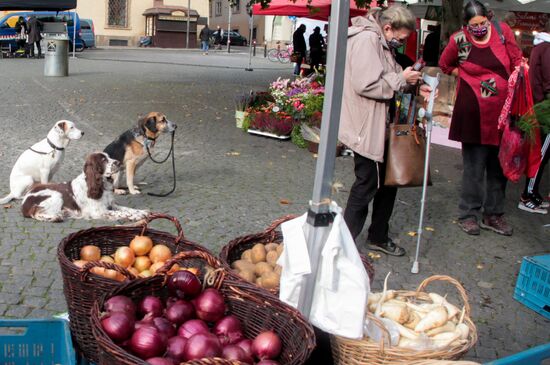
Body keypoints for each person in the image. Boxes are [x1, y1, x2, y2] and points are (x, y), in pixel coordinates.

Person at [340, 6, 433, 256]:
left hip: (381, 124)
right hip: (366, 126)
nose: (401, 43)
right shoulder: (366, 39)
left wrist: (412, 82)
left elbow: (386, 75)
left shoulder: (379, 40)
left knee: (388, 183)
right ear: (388, 27)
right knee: (367, 183)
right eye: (400, 38)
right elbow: (366, 84)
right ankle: (342, 246)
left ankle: (378, 235)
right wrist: (402, 80)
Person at [439, 1, 522, 236]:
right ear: (467, 25)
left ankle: (493, 214)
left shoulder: (502, 31)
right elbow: (445, 65)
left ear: (489, 18)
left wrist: (518, 81)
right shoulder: (459, 40)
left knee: (499, 166)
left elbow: (516, 60)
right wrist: (464, 75)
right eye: (474, 25)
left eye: (482, 23)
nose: (479, 28)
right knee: (474, 168)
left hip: (502, 114)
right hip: (473, 112)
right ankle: (469, 214)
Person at [518, 19, 550, 214]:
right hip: (545, 111)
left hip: (539, 108)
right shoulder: (547, 47)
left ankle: (533, 193)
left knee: (540, 154)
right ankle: (528, 196)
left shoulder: (541, 46)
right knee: (540, 155)